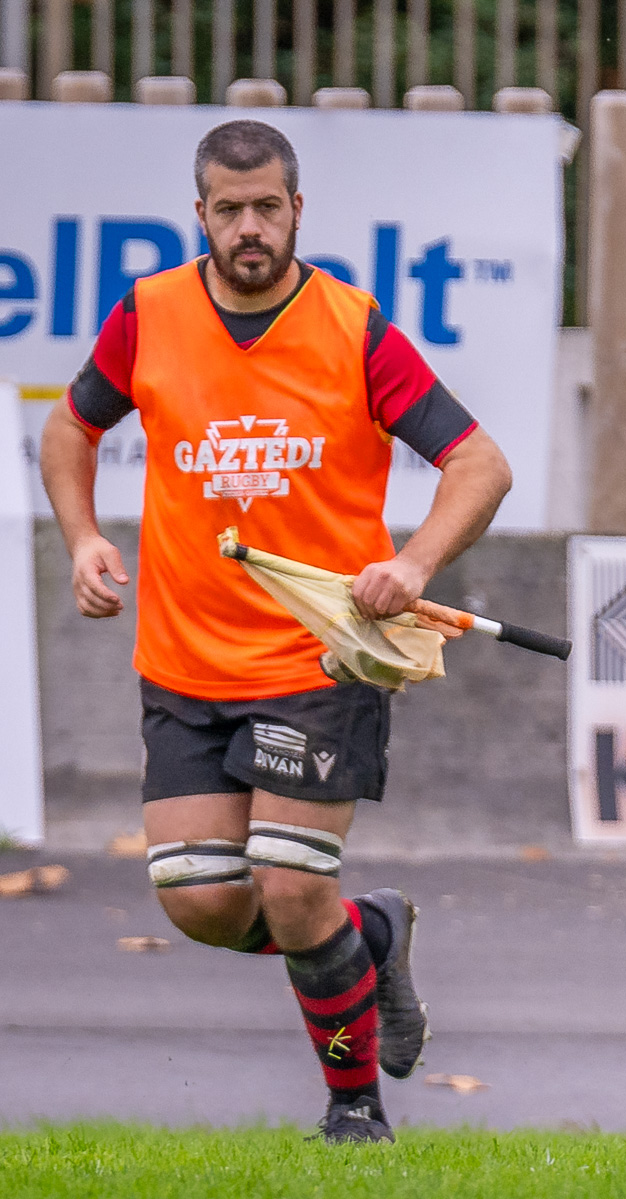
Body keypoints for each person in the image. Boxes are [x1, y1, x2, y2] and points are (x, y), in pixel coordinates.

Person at [39, 120, 513, 1144]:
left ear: (298, 209)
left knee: (294, 886)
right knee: (201, 899)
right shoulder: (149, 314)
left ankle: (355, 1110)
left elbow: (480, 464)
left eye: (267, 207)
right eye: (227, 208)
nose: (248, 227)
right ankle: (370, 936)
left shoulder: (353, 326)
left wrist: (413, 562)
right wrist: (81, 540)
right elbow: (70, 426)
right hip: (182, 659)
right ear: (199, 214)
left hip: (318, 656)